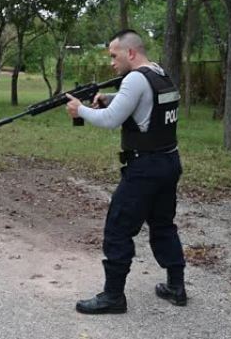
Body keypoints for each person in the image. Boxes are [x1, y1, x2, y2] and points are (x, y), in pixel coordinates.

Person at [65, 29, 186, 314]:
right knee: (163, 224)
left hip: (144, 167)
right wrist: (109, 96)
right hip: (169, 161)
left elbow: (109, 120)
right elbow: (142, 104)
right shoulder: (159, 74)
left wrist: (80, 110)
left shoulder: (134, 79)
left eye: (113, 55)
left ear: (130, 53)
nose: (111, 62)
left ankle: (113, 296)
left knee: (118, 228)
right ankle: (176, 286)